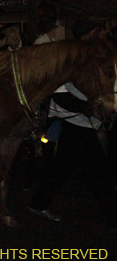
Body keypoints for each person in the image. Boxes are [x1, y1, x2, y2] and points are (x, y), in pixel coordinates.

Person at [27, 19, 117, 229]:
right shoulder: (70, 56)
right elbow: (58, 93)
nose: (101, 33)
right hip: (76, 122)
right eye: (97, 31)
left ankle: (38, 203)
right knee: (98, 172)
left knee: (63, 167)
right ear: (89, 34)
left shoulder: (93, 55)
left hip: (83, 123)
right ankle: (113, 216)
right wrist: (85, 107)